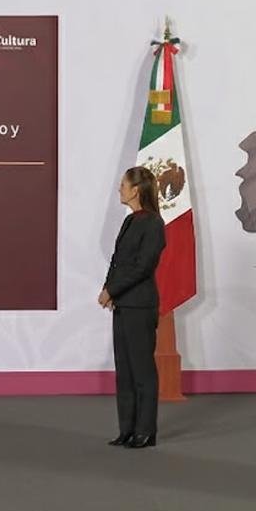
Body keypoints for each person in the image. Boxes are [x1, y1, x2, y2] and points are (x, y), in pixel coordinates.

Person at [99, 166, 166, 449]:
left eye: (124, 185)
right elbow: (117, 261)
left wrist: (112, 290)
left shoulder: (153, 223)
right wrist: (109, 288)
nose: (120, 189)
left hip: (140, 305)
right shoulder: (130, 221)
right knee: (124, 371)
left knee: (142, 370)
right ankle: (127, 429)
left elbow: (143, 266)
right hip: (124, 304)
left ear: (136, 190)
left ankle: (145, 431)